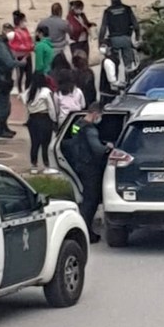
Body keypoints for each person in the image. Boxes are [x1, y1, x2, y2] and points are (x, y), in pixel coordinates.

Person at [62, 102, 114, 242]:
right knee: (91, 200)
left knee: (86, 198)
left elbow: (74, 141)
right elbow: (97, 149)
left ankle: (83, 230)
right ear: (96, 114)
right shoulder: (91, 130)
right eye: (101, 115)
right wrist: (107, 147)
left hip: (79, 164)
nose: (100, 118)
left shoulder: (77, 124)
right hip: (90, 167)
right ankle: (86, 232)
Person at [21, 72, 59, 175]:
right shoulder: (46, 92)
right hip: (44, 118)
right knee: (45, 143)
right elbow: (51, 107)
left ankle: (34, 165)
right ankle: (47, 165)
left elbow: (24, 101)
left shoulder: (28, 92)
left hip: (32, 119)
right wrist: (54, 120)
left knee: (35, 143)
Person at [0, 23, 24, 138]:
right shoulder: (1, 46)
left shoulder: (5, 44)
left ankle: (4, 126)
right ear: (4, 31)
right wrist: (21, 63)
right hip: (2, 78)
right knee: (3, 104)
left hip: (6, 77)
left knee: (6, 104)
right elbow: (8, 62)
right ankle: (0, 129)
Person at [99, 0, 141, 72]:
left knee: (114, 63)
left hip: (114, 40)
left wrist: (100, 41)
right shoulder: (127, 9)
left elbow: (103, 27)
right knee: (129, 66)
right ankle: (129, 80)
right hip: (126, 38)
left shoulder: (108, 11)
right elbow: (136, 25)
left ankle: (116, 81)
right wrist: (137, 37)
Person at [9, 10, 34, 93]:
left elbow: (29, 41)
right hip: (20, 56)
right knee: (20, 75)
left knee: (29, 75)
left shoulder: (25, 30)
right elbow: (14, 46)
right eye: (24, 21)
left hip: (28, 55)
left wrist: (31, 47)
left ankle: (27, 91)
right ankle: (20, 91)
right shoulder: (14, 33)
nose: (25, 22)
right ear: (20, 21)